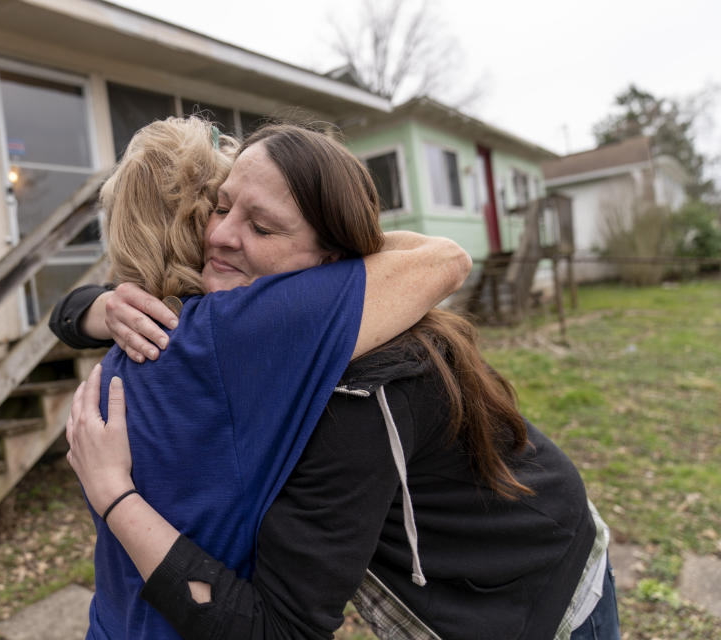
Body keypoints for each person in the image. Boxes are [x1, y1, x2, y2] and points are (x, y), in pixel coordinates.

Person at [59, 122, 620, 639]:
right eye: (220, 206)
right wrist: (99, 306)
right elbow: (75, 314)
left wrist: (114, 494)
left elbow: (282, 630)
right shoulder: (255, 327)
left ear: (334, 265)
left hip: (535, 588)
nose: (220, 236)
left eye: (262, 226)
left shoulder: (356, 394)